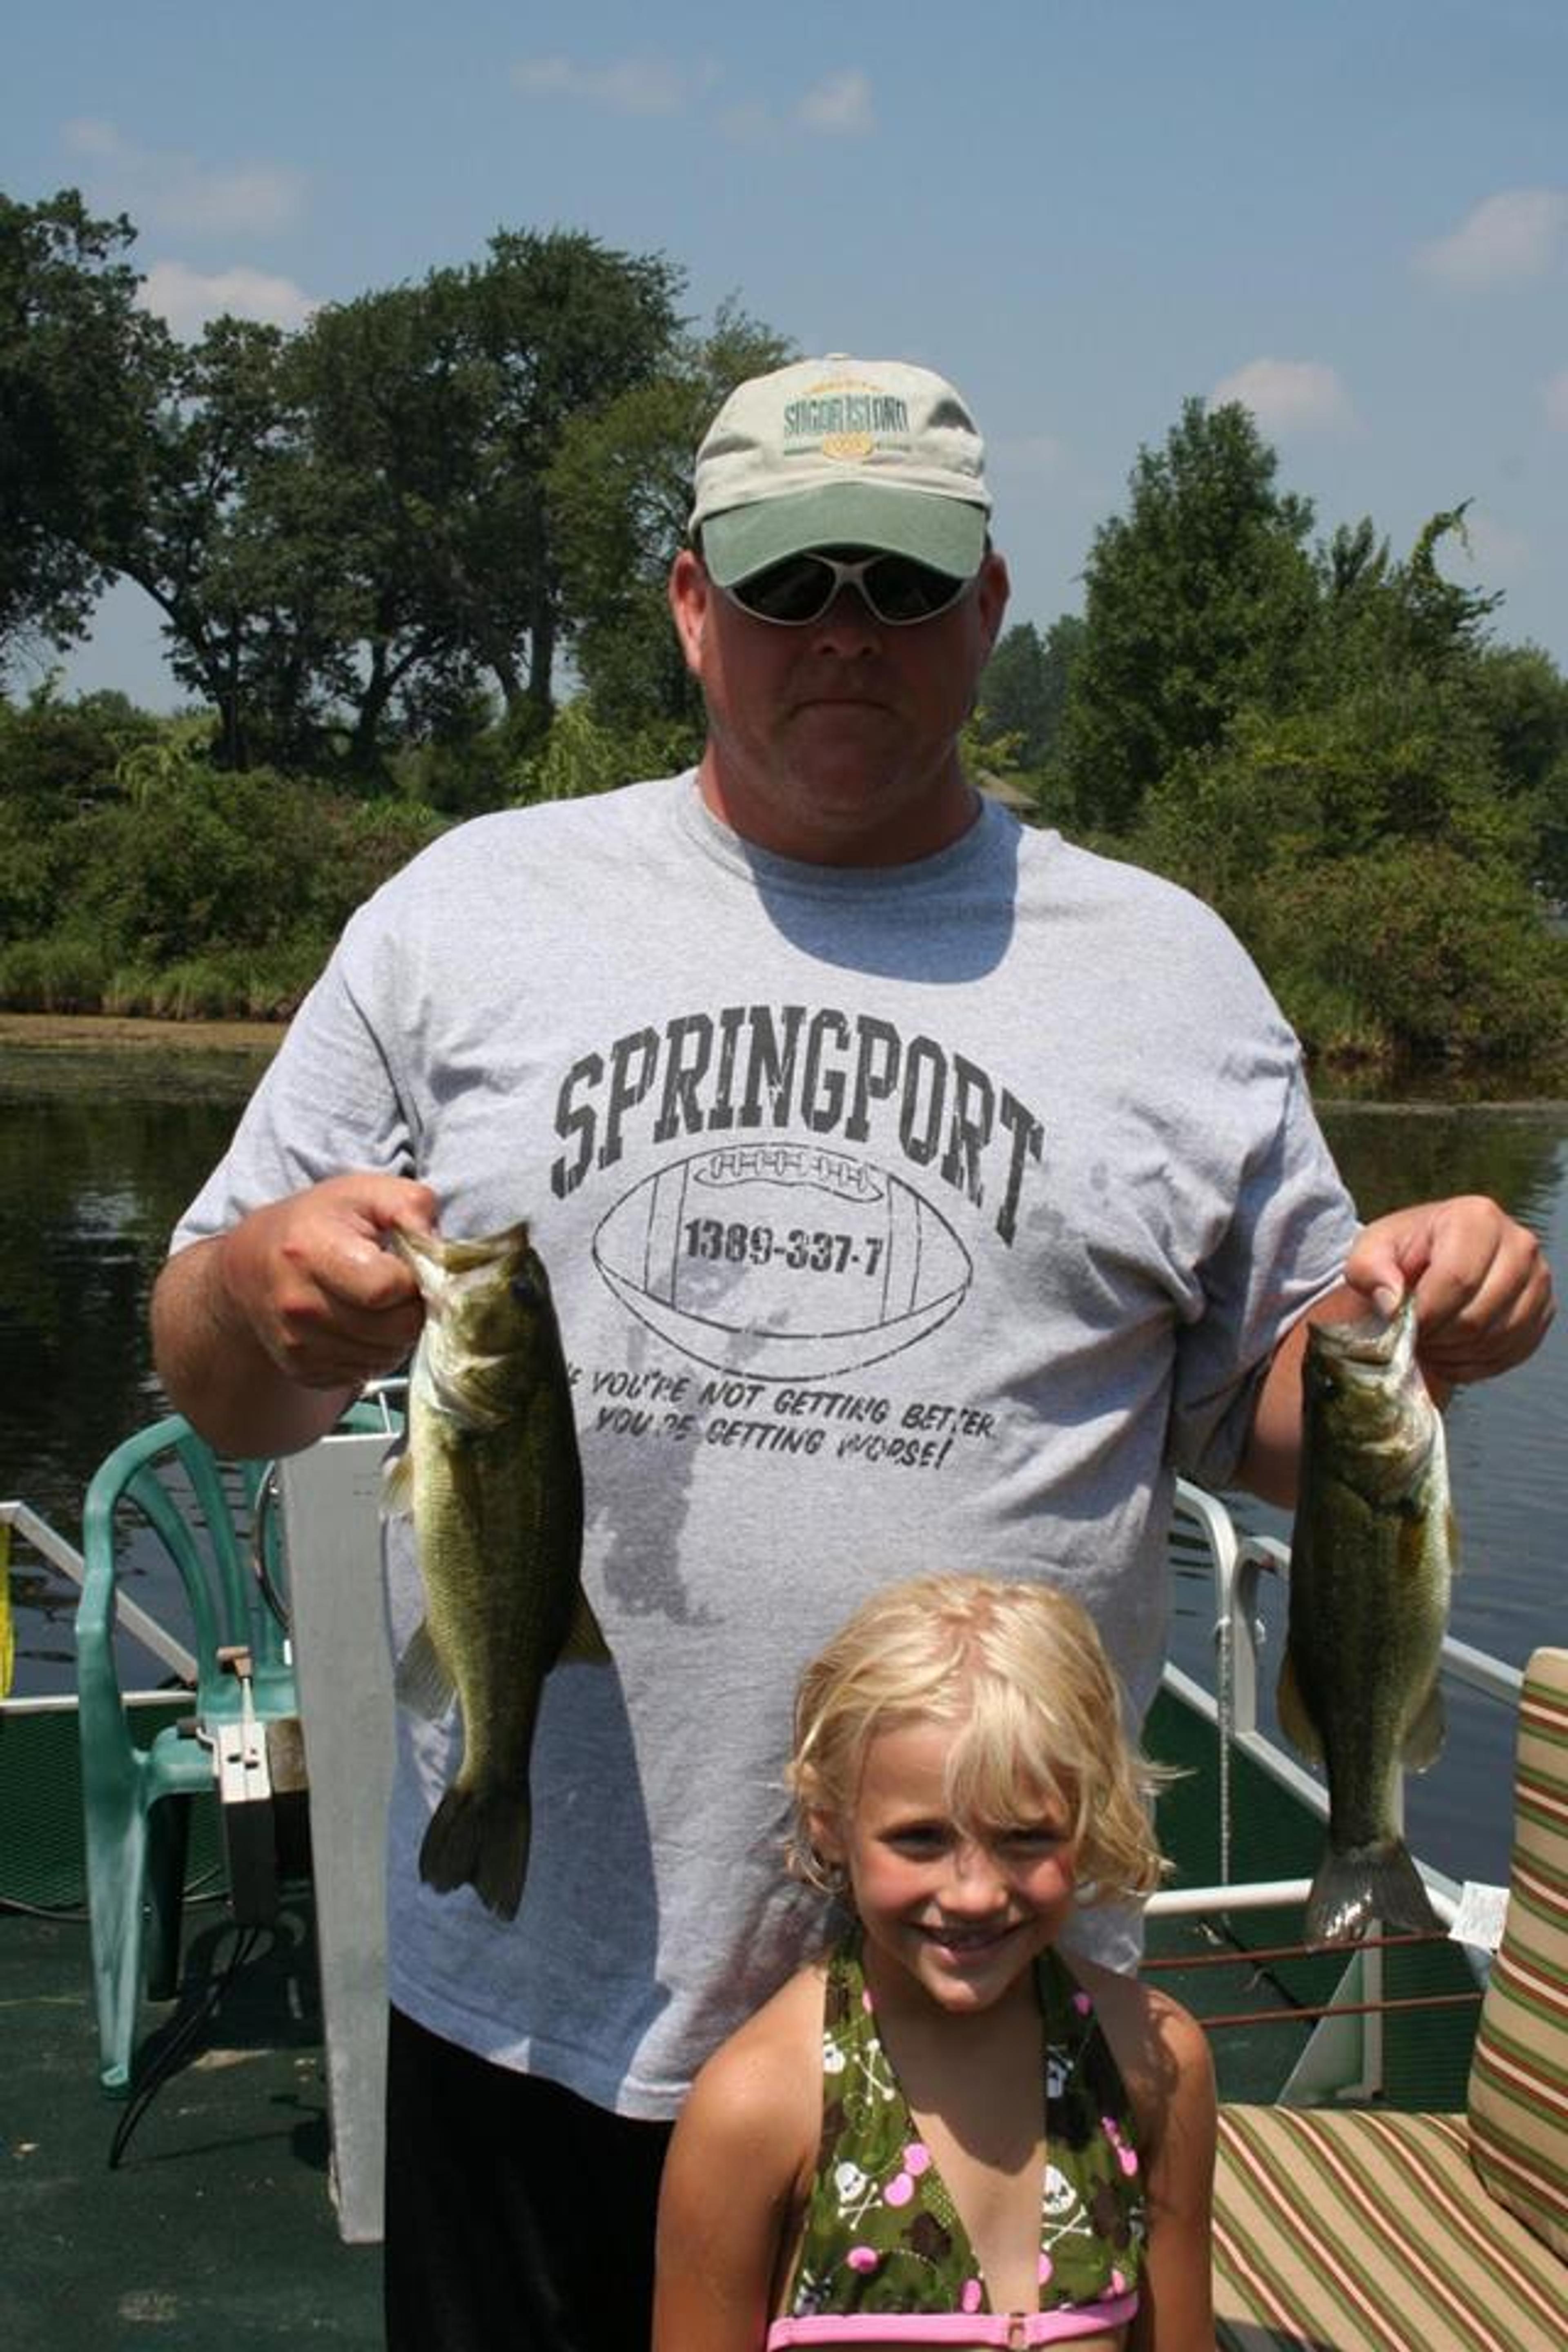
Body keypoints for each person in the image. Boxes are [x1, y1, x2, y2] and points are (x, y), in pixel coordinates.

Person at [148, 352, 1552, 2350]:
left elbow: (1270, 1426)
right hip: (535, 2006)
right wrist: (255, 1290)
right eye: (791, 583)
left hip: (998, 2011)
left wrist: (1405, 1321)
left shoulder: (1171, 974)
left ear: (984, 610)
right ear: (691, 603)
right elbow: (216, 1371)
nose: (845, 637)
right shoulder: (468, 914)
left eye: (899, 588)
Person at [652, 1572, 1216, 2352]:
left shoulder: (1154, 2066)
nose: (976, 1893)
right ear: (829, 1825)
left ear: (1087, 1824)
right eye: (922, 1838)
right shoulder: (758, 2109)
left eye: (1027, 1839)